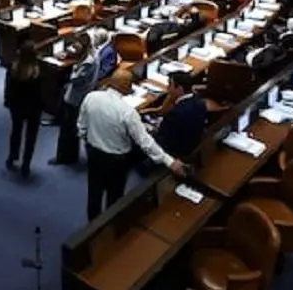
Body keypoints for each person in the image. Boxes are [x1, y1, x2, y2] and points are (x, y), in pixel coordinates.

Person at [77, 70, 186, 220]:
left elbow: (81, 126)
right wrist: (169, 161)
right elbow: (145, 142)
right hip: (116, 160)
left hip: (94, 154)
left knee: (94, 192)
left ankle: (92, 226)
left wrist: (89, 142)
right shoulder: (128, 112)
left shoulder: (91, 97)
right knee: (114, 197)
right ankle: (110, 225)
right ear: (125, 86)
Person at [51, 35, 98, 166]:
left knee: (67, 129)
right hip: (82, 96)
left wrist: (74, 67)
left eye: (77, 44)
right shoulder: (93, 54)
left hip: (75, 98)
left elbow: (75, 79)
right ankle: (71, 156)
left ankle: (63, 157)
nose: (74, 47)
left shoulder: (88, 62)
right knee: (72, 128)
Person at [4, 41, 43, 177]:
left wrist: (8, 102)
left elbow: (8, 88)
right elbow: (40, 93)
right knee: (31, 137)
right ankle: (26, 165)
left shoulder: (12, 68)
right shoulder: (37, 72)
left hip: (16, 106)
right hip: (33, 108)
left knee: (16, 131)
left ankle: (12, 157)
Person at [153, 72, 207, 159]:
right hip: (192, 142)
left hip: (176, 151)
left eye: (170, 85)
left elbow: (162, 135)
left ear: (180, 89)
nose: (167, 88)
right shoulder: (200, 102)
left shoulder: (176, 114)